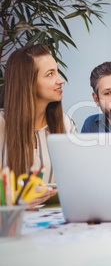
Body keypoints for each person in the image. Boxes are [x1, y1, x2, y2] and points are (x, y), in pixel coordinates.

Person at [0, 44, 77, 208]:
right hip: (9, 225)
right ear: (27, 82)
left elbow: (77, 184)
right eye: (50, 74)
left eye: (57, 71)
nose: (60, 80)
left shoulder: (66, 125)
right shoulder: (1, 124)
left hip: (54, 224)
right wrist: (12, 200)